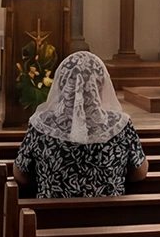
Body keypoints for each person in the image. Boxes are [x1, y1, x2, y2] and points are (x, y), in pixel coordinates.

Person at [12, 52, 147, 198]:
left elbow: (21, 174)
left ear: (61, 84)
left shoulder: (42, 124)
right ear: (101, 84)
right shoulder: (120, 125)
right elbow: (139, 173)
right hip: (108, 211)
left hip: (52, 211)